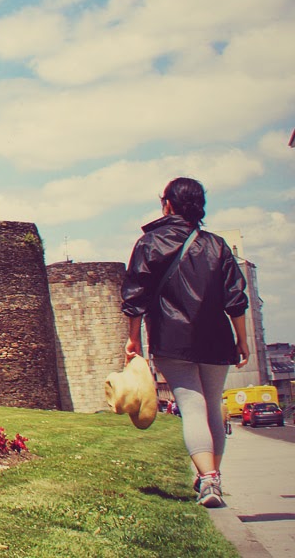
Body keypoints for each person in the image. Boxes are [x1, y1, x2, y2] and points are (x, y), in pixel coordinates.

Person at [121, 177, 249, 509]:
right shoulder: (218, 245)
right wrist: (242, 341)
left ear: (168, 204)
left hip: (171, 337)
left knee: (191, 408)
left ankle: (208, 480)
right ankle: (211, 477)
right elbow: (236, 299)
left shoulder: (149, 243)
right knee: (211, 408)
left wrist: (133, 340)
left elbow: (135, 297)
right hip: (217, 338)